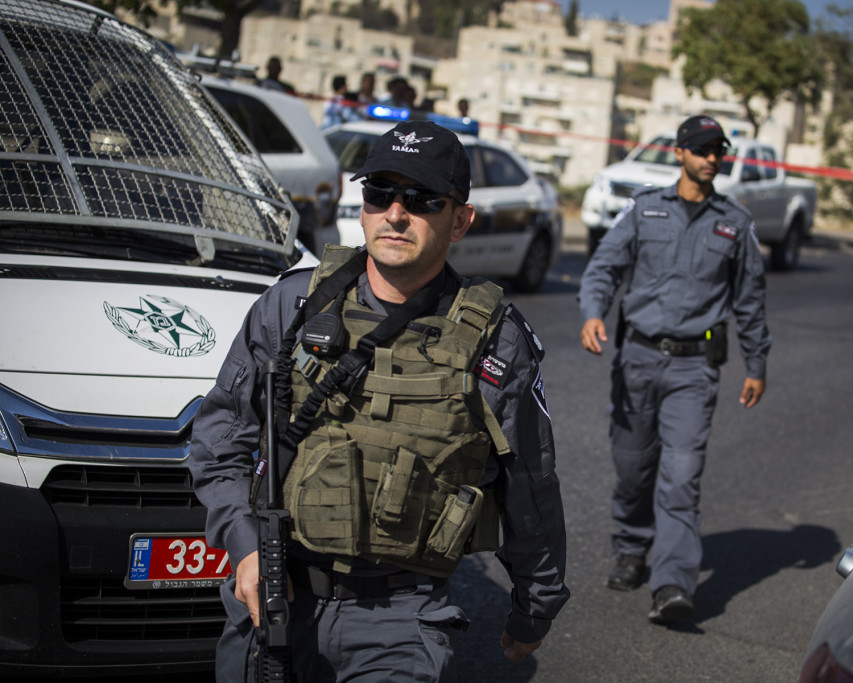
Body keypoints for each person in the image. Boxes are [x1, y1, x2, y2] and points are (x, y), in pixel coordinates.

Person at [189, 120, 570, 681]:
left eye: (422, 200)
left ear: (460, 219)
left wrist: (535, 605)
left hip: (400, 617)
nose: (396, 213)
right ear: (361, 205)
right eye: (380, 193)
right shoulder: (291, 305)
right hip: (275, 597)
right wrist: (246, 547)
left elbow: (530, 485)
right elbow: (220, 442)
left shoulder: (497, 341)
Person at [577, 114, 770, 626]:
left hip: (694, 368)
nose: (712, 158)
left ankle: (673, 584)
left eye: (718, 151)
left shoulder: (736, 223)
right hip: (637, 358)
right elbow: (603, 267)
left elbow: (750, 300)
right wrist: (593, 312)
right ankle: (631, 546)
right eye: (703, 149)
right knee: (634, 470)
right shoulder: (644, 211)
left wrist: (757, 362)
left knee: (681, 477)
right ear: (680, 153)